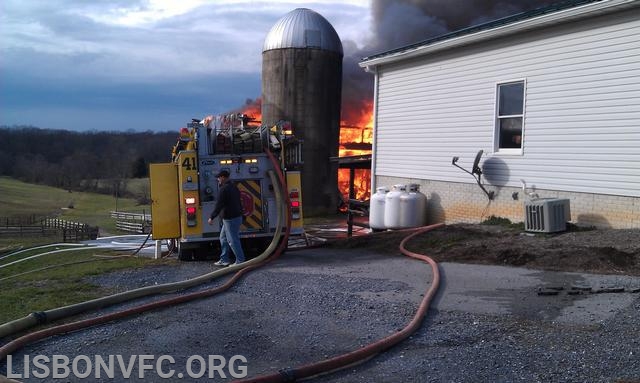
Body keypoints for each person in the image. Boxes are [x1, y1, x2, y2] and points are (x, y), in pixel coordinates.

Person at [208, 170, 246, 266]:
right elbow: (239, 202)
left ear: (223, 177)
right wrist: (242, 214)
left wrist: (212, 217)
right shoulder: (234, 187)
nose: (218, 179)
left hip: (230, 218)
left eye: (219, 177)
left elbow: (219, 205)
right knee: (223, 238)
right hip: (235, 217)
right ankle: (224, 259)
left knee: (232, 240)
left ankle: (240, 260)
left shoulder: (224, 189)